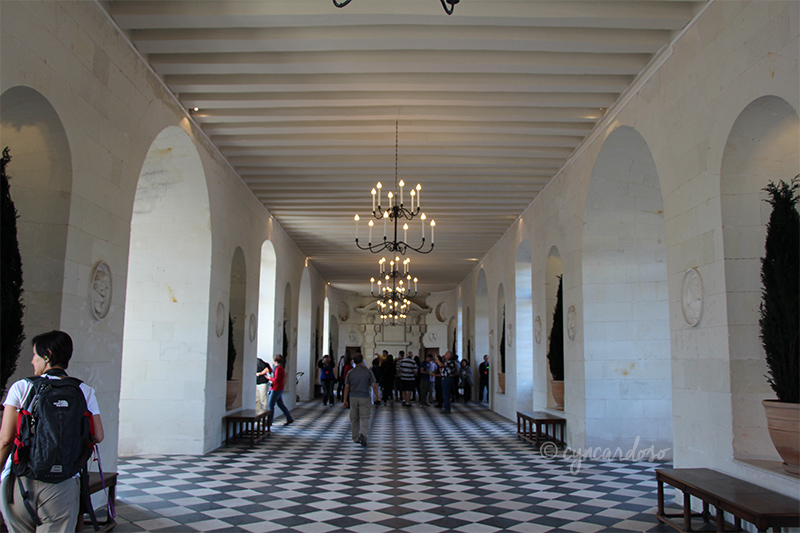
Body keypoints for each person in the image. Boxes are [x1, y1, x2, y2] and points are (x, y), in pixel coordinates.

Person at [0, 331, 104, 532]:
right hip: (63, 483)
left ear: (47, 356)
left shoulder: (21, 387)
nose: (32, 361)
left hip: (20, 481)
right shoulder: (84, 391)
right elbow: (98, 436)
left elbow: (6, 439)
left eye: (35, 355)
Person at [343, 354, 380, 447]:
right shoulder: (367, 371)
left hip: (353, 397)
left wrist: (345, 400)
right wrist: (377, 397)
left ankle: (355, 437)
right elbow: (374, 385)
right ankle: (363, 435)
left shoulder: (350, 372)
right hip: (364, 397)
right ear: (362, 361)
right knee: (365, 417)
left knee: (354, 418)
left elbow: (347, 387)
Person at [266, 354, 294, 430]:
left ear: (275, 361)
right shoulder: (279, 368)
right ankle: (289, 418)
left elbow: (276, 379)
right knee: (280, 404)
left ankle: (269, 421)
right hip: (278, 388)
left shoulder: (279, 368)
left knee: (270, 405)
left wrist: (269, 378)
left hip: (276, 389)